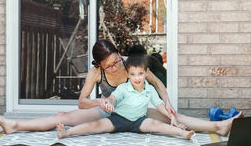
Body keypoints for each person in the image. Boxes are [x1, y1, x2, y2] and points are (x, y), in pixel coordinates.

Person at [0, 39, 242, 136]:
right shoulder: (95, 72)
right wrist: (100, 101)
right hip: (110, 111)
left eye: (116, 61)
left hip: (137, 110)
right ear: (99, 65)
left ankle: (219, 127)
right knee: (63, 117)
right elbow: (81, 102)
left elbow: (157, 84)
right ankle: (14, 125)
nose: (114, 67)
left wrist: (166, 103)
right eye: (108, 66)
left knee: (174, 116)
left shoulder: (132, 65)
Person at [57, 55, 194, 140]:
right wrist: (109, 102)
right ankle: (67, 133)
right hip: (118, 120)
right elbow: (113, 98)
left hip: (139, 121)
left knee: (156, 124)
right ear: (128, 75)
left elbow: (160, 106)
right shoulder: (123, 88)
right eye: (133, 74)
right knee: (95, 125)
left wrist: (172, 117)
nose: (137, 78)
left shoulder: (150, 89)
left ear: (146, 73)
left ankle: (181, 133)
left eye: (140, 74)